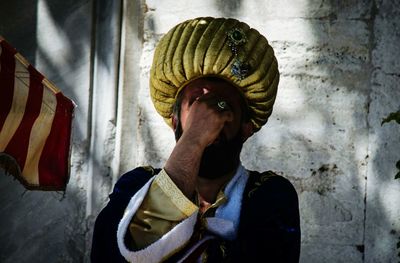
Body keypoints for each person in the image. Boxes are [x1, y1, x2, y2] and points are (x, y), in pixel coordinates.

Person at [91, 17, 300, 262]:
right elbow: (113, 254)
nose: (208, 118)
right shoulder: (136, 184)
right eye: (197, 105)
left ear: (246, 128)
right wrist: (194, 140)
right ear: (176, 122)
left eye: (222, 106)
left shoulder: (270, 193)